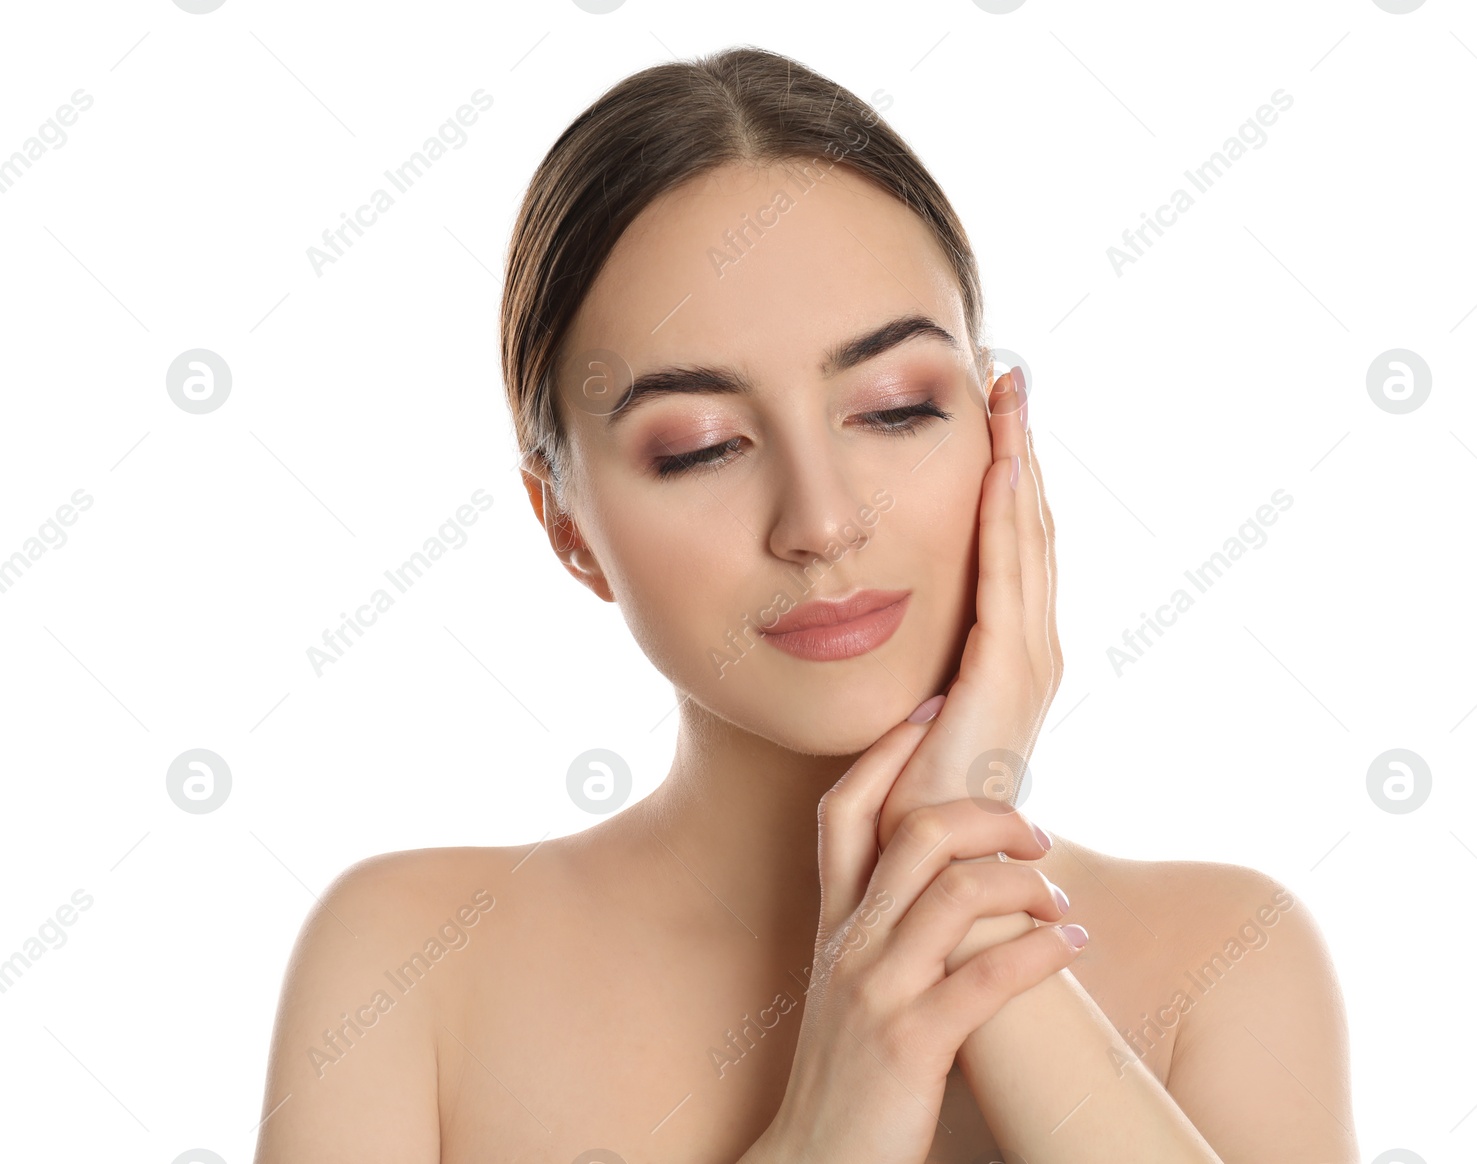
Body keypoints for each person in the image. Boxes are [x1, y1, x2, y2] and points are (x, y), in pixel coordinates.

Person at [254, 45, 1356, 1164]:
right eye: (699, 447)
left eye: (892, 408)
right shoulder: (411, 970)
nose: (822, 522)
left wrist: (952, 894)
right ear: (567, 528)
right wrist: (832, 1124)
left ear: (996, 427)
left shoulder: (1231, 956)